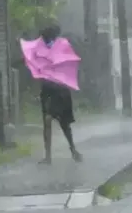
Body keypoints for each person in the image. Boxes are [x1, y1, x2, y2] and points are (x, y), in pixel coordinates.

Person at [38, 24, 82, 164]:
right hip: (52, 90)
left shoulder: (60, 49)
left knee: (59, 124)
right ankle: (52, 155)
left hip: (58, 90)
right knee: (51, 122)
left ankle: (70, 150)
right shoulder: (45, 50)